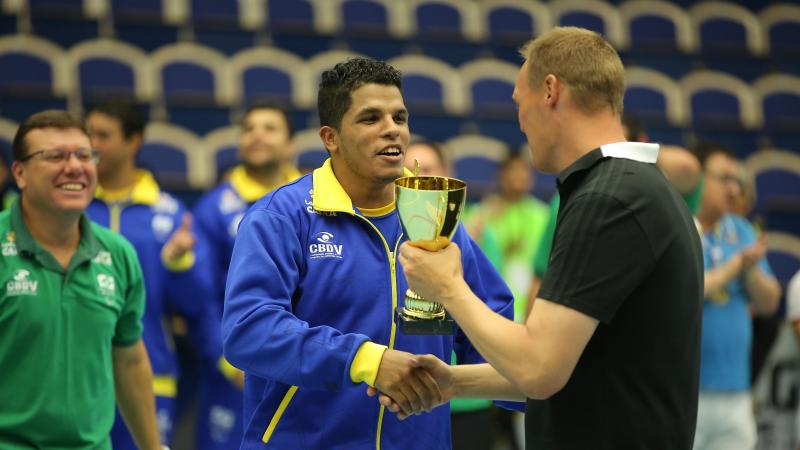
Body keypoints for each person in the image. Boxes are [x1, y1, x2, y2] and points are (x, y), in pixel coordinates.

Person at [388, 27, 705, 450]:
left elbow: (539, 369)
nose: (519, 120)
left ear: (551, 90)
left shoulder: (610, 197)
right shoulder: (634, 185)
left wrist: (446, 286)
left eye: (520, 101)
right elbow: (574, 364)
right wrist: (454, 382)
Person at [221, 56, 515, 450]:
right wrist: (367, 361)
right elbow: (249, 330)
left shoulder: (435, 217)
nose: (391, 130)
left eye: (399, 117)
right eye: (370, 118)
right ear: (331, 138)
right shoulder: (281, 217)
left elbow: (495, 332)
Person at [0, 110, 161, 449]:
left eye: (84, 155)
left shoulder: (118, 254)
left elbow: (129, 359)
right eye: (55, 156)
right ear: (20, 173)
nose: (74, 167)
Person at [84, 101, 219, 450]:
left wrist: (178, 263)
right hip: (76, 376)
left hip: (150, 372)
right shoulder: (72, 208)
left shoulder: (171, 213)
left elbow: (196, 303)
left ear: (134, 141)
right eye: (88, 133)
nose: (90, 144)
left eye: (102, 135)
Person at [192, 103, 301, 450]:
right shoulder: (211, 207)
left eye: (269, 128)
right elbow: (203, 294)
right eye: (249, 128)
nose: (257, 135)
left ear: (291, 145)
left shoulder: (317, 201)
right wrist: (225, 358)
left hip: (304, 366)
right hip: (234, 370)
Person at [691, 142, 781, 450]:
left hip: (737, 393)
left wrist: (750, 270)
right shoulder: (679, 226)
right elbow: (687, 293)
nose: (733, 189)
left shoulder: (741, 230)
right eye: (724, 179)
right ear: (698, 177)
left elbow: (769, 302)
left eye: (736, 181)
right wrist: (735, 267)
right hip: (688, 392)